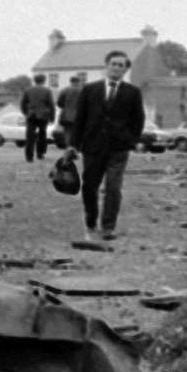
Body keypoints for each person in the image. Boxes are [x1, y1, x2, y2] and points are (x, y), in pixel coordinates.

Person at [68, 51, 144, 240]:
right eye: (114, 64)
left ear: (126, 69)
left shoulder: (132, 92)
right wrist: (73, 145)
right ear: (106, 66)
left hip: (118, 148)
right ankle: (91, 222)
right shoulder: (89, 90)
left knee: (113, 187)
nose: (117, 67)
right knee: (90, 186)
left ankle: (108, 226)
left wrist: (131, 140)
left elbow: (138, 120)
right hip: (92, 147)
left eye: (121, 65)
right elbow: (80, 119)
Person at [20, 73, 57, 162]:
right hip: (43, 116)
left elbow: (23, 103)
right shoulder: (47, 90)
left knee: (30, 137)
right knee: (42, 135)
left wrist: (26, 112)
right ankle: (40, 154)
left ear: (34, 80)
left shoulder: (28, 90)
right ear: (43, 81)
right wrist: (52, 117)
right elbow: (51, 104)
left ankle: (29, 157)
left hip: (31, 115)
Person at [55, 73, 83, 149]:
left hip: (66, 116)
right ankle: (76, 148)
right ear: (79, 81)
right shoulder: (83, 91)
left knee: (67, 132)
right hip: (79, 115)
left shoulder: (64, 90)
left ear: (70, 81)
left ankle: (69, 147)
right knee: (78, 132)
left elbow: (59, 103)